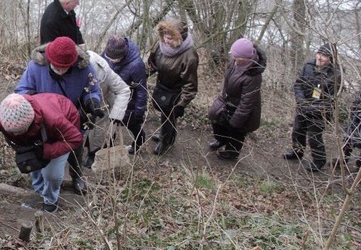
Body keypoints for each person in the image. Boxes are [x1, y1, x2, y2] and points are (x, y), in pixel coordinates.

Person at [14, 37, 103, 194]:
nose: (60, 71)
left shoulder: (85, 69)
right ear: (49, 59)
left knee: (76, 146)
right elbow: (21, 90)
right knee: (41, 149)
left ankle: (77, 176)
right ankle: (41, 184)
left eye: (65, 68)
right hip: (42, 120)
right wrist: (33, 98)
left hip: (72, 118)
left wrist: (92, 103)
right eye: (56, 66)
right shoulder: (36, 66)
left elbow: (92, 90)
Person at [0, 93, 82, 212]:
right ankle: (40, 191)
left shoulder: (54, 119)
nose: (16, 135)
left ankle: (51, 201)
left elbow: (75, 139)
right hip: (35, 138)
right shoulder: (0, 115)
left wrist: (46, 151)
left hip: (60, 135)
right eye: (12, 132)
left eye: (20, 131)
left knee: (52, 174)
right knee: (33, 162)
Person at [283, 43, 342, 172]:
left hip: (320, 111)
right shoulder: (308, 66)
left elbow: (330, 101)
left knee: (314, 136)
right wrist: (301, 101)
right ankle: (297, 152)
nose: (320, 58)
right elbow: (298, 84)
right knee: (298, 131)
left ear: (331, 59)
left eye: (324, 56)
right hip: (303, 105)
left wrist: (310, 108)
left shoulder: (335, 76)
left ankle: (319, 161)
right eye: (319, 54)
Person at [207, 38, 267, 161]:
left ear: (246, 57)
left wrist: (236, 120)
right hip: (228, 100)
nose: (234, 59)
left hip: (243, 107)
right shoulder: (234, 62)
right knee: (216, 119)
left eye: (237, 57)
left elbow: (247, 103)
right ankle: (221, 140)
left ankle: (231, 152)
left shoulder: (253, 76)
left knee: (237, 130)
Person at [147, 18, 199, 155]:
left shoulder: (190, 55)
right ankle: (168, 135)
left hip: (176, 91)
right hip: (162, 85)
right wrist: (141, 76)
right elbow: (151, 65)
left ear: (179, 38)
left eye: (170, 38)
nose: (166, 41)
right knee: (164, 115)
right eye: (164, 36)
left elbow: (191, 84)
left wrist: (182, 104)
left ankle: (165, 142)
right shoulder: (160, 46)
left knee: (169, 116)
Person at [83, 51, 131, 168]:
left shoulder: (105, 70)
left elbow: (124, 90)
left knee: (99, 131)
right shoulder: (74, 68)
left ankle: (93, 155)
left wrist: (116, 116)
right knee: (82, 130)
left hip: (103, 103)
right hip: (82, 104)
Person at [103, 35, 148, 153]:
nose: (111, 61)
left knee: (130, 122)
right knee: (111, 121)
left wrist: (139, 111)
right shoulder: (108, 52)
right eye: (109, 58)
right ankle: (108, 148)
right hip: (110, 95)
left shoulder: (136, 65)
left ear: (123, 55)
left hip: (128, 98)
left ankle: (139, 140)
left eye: (115, 59)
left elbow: (142, 90)